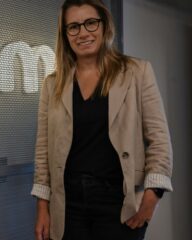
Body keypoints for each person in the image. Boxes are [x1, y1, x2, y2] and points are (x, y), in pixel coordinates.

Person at [31, 0, 173, 239]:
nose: (83, 32)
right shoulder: (53, 84)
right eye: (73, 27)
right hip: (68, 205)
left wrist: (153, 195)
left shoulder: (137, 72)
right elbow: (43, 150)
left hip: (119, 202)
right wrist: (43, 208)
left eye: (90, 23)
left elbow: (159, 139)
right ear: (65, 34)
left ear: (104, 26)